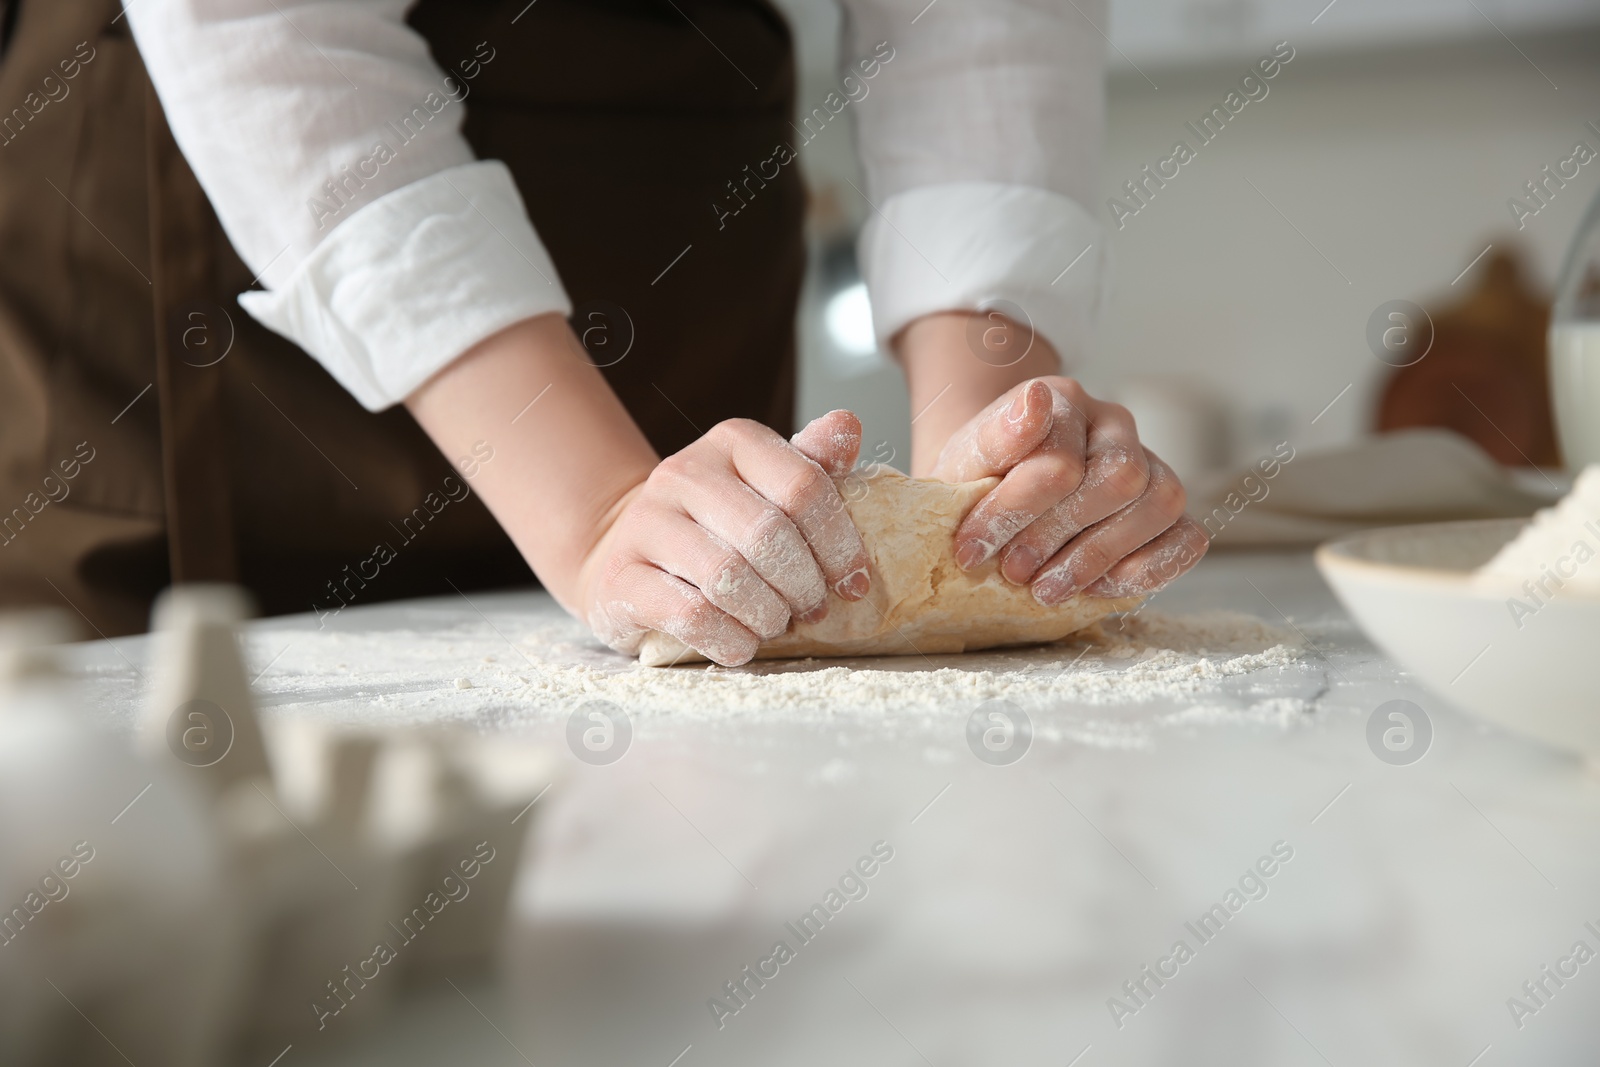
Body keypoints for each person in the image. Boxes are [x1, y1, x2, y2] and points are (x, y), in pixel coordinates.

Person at [0, 0, 1204, 664]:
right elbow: (274, 30)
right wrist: (594, 509)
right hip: (235, 208)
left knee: (699, 753)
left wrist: (990, 468)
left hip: (672, 163)